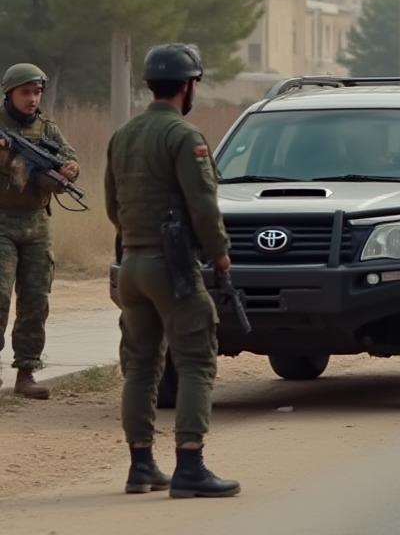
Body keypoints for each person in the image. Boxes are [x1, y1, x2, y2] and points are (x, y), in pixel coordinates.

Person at [105, 44, 239, 498]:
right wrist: (219, 254)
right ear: (188, 85)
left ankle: (141, 465)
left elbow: (111, 205)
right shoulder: (185, 137)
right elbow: (203, 205)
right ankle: (190, 465)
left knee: (141, 366)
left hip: (132, 265)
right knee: (197, 360)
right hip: (174, 266)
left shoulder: (123, 135)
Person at [0, 63, 78, 400]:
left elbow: (69, 158)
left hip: (36, 223)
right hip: (1, 222)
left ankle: (26, 372)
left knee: (35, 299)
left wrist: (69, 168)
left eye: (37, 92)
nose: (32, 99)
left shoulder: (47, 129)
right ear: (10, 94)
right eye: (25, 92)